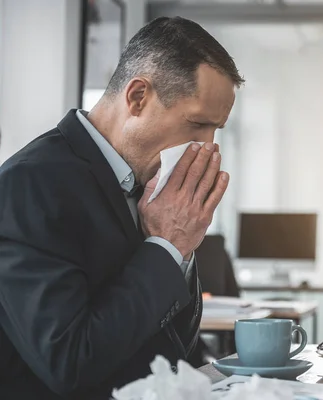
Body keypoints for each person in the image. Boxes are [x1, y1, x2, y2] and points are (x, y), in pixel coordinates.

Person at [0, 17, 243, 399]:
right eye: (197, 124)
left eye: (215, 130)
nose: (206, 148)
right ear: (137, 98)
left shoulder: (149, 186)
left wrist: (179, 247)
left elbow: (175, 344)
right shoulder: (30, 185)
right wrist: (166, 247)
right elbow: (69, 363)